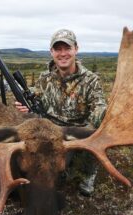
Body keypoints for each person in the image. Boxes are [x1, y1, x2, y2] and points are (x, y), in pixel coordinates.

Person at [15, 29, 107, 196]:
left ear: (76, 49)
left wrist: (89, 127)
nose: (63, 53)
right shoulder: (45, 78)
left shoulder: (91, 80)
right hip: (50, 133)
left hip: (77, 133)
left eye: (67, 48)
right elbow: (37, 98)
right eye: (58, 49)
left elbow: (99, 107)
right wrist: (26, 107)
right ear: (52, 52)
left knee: (92, 138)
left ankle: (87, 174)